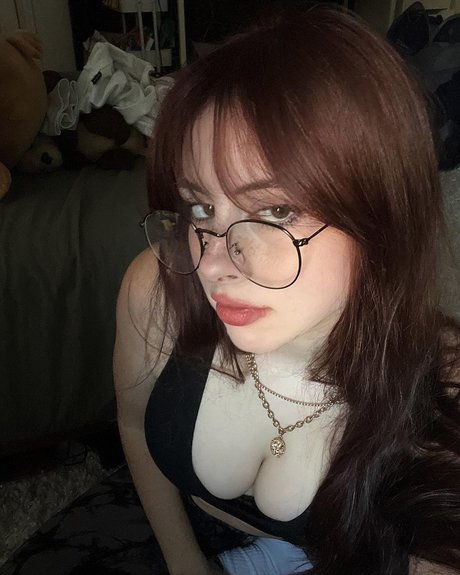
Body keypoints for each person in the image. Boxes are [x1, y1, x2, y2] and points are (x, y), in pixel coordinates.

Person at [113, 4, 460, 575]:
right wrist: (183, 561)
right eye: (201, 207)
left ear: (381, 214)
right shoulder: (156, 288)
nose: (214, 263)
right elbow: (132, 422)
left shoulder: (441, 389)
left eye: (275, 211)